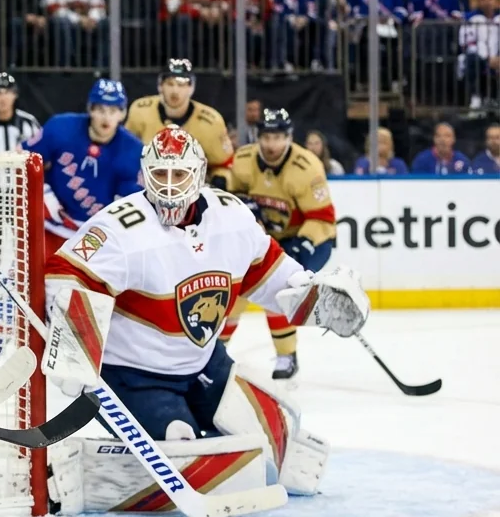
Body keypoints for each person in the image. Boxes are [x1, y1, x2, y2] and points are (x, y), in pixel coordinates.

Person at [42, 126, 367, 509]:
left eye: (179, 174)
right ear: (144, 175)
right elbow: (64, 276)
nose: (169, 186)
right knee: (183, 448)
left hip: (204, 365)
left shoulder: (232, 217)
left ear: (198, 174)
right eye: (160, 175)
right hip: (133, 376)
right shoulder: (120, 228)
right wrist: (74, 342)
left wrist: (313, 295)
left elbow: (271, 273)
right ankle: (82, 477)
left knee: (274, 436)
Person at [222, 109, 337, 380]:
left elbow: (323, 218)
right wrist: (247, 211)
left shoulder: (306, 167)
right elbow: (231, 197)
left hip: (307, 239)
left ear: (289, 137)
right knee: (235, 291)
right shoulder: (244, 159)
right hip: (265, 239)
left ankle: (287, 355)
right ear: (258, 136)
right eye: (266, 137)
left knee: (281, 290)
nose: (271, 144)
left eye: (278, 137)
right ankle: (216, 351)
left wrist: (301, 245)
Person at [26, 79, 142, 255]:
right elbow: (22, 159)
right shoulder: (60, 127)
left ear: (122, 113)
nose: (106, 117)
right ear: (91, 109)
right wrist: (44, 193)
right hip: (49, 227)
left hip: (96, 235)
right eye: (101, 109)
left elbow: (130, 204)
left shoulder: (133, 151)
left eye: (113, 111)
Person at [126, 58, 235, 190]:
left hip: (192, 191)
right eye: (170, 83)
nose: (175, 90)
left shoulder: (211, 121)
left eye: (181, 84)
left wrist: (219, 181)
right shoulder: (140, 111)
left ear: (191, 88)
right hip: (147, 186)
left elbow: (224, 166)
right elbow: (126, 154)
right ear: (160, 86)